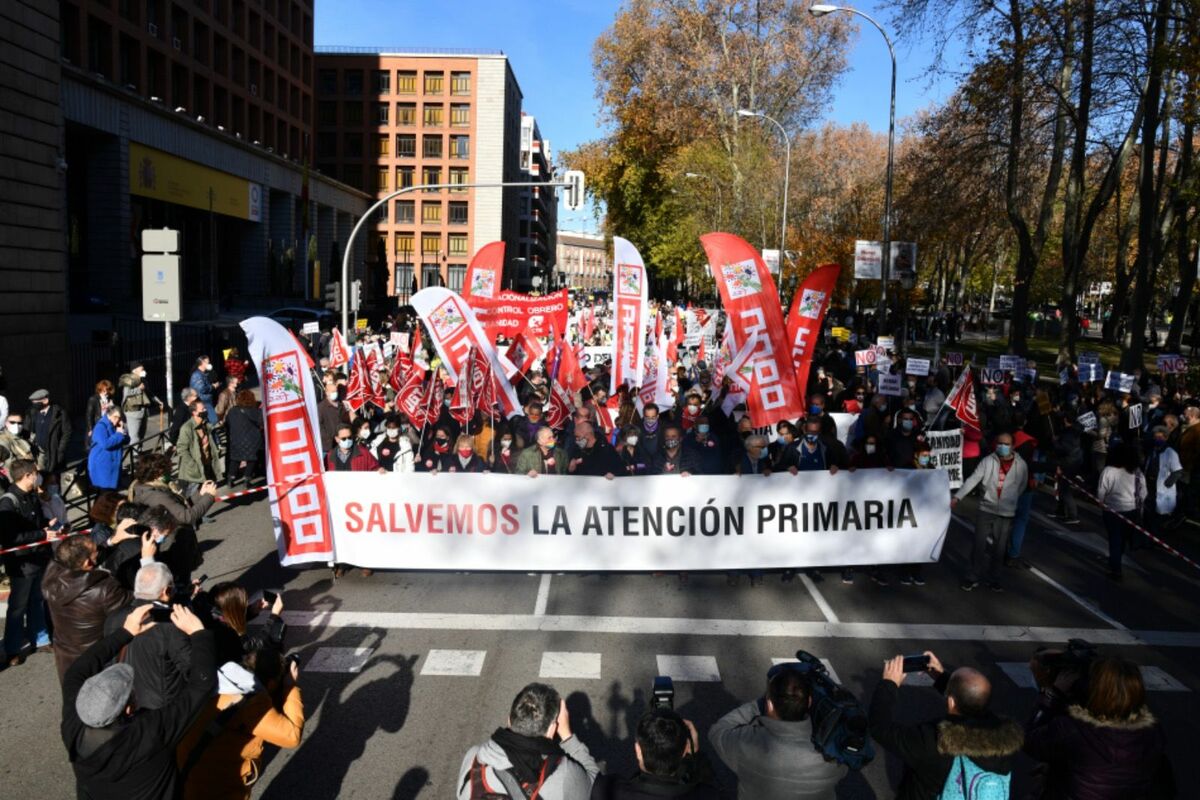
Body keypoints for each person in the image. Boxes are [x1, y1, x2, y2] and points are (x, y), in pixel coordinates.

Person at [61, 603, 214, 800]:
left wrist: (124, 633)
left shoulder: (73, 725)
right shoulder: (149, 732)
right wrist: (198, 633)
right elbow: (201, 685)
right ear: (127, 710)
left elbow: (75, 672)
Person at [868, 652, 1023, 800]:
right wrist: (941, 677)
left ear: (951, 702)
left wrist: (888, 684)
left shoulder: (934, 741)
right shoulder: (1003, 740)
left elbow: (880, 727)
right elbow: (970, 700)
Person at [1024, 655, 1174, 798]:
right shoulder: (1152, 734)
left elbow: (1029, 740)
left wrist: (1052, 695)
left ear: (1095, 690)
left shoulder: (1073, 730)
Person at [177, 640, 305, 800]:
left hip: (193, 773)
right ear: (272, 683)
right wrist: (290, 686)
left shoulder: (224, 681)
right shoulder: (250, 703)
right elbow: (291, 737)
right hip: (217, 785)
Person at [709, 664, 848, 798]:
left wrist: (757, 705)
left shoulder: (747, 741)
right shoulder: (832, 749)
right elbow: (846, 768)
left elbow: (718, 731)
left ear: (769, 704)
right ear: (810, 702)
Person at [456, 682, 599, 800]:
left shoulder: (474, 757)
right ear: (552, 730)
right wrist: (567, 735)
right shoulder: (564, 774)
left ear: (509, 720)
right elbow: (594, 784)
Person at [42, 534, 137, 682]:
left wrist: (110, 541)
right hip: (95, 658)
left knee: (72, 698)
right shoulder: (103, 589)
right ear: (87, 563)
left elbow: (58, 558)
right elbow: (135, 599)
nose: (99, 551)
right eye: (96, 551)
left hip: (65, 655)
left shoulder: (51, 575)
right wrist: (147, 559)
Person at [103, 562, 193, 710]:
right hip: (162, 707)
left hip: (124, 701)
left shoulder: (114, 618)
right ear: (165, 591)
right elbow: (191, 667)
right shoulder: (171, 624)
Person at [952, 432, 1028, 592]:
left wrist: (1011, 500)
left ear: (1013, 446)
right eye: (1000, 443)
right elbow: (973, 479)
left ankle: (995, 578)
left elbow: (1021, 485)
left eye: (1007, 444)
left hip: (1006, 512)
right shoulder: (987, 461)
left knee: (999, 549)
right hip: (986, 508)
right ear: (995, 444)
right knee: (979, 545)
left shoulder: (1021, 465)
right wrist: (958, 497)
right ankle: (972, 577)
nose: (1003, 447)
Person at [592, 708, 719, 799]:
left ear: (638, 751)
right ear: (685, 750)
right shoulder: (708, 795)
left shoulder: (607, 790)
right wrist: (696, 756)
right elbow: (713, 785)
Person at [1, 458, 54, 666]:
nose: (37, 476)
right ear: (27, 476)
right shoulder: (8, 502)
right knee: (17, 607)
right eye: (35, 473)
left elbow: (37, 521)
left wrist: (47, 526)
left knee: (37, 601)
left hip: (38, 558)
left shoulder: (31, 495)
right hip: (21, 564)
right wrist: (41, 534)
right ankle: (12, 648)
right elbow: (11, 538)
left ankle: (40, 640)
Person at [128, 452, 219, 533]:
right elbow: (186, 517)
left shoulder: (149, 488)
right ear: (157, 474)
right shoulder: (155, 496)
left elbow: (178, 507)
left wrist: (200, 494)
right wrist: (209, 496)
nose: (170, 474)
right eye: (168, 471)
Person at [1095, 443, 1146, 582]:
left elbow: (1101, 491)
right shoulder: (1137, 471)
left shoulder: (1109, 471)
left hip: (1112, 510)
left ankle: (1115, 567)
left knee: (1114, 539)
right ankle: (1116, 559)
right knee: (1122, 538)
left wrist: (1101, 503)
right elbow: (1143, 492)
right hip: (1132, 510)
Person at [1142, 425, 1183, 541]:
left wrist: (1167, 484)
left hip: (1161, 488)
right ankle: (1148, 535)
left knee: (1159, 515)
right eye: (1155, 437)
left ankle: (1156, 538)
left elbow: (1177, 471)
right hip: (1150, 485)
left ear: (1165, 438)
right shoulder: (1153, 450)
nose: (1157, 439)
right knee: (1148, 511)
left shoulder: (1170, 452)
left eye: (1160, 437)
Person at [26, 388, 71, 486]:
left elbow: (67, 432)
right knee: (40, 478)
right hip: (39, 452)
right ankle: (43, 497)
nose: (34, 405)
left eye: (36, 402)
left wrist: (60, 450)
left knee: (54, 479)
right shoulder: (33, 412)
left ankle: (56, 498)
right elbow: (28, 428)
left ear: (45, 400)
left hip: (54, 451)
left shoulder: (59, 412)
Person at [177, 400, 224, 495]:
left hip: (207, 467)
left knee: (206, 496)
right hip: (194, 472)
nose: (205, 410)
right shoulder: (186, 428)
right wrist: (193, 465)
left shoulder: (205, 425)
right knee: (192, 500)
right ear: (194, 412)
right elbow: (182, 450)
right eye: (203, 409)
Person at [224, 390, 264, 488]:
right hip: (251, 441)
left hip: (236, 441)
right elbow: (261, 422)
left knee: (235, 460)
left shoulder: (232, 411)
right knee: (252, 459)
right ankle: (247, 479)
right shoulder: (254, 411)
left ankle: (231, 478)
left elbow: (227, 423)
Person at [88, 406, 130, 492]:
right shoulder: (101, 426)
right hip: (103, 465)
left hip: (113, 464)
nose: (117, 419)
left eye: (119, 417)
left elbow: (127, 440)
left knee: (111, 493)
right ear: (108, 415)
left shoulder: (117, 425)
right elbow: (105, 444)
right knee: (105, 493)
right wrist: (118, 434)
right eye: (115, 417)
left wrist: (123, 432)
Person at [119, 361, 157, 453]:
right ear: (135, 370)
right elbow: (127, 393)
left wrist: (157, 401)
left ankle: (140, 451)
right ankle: (135, 456)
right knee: (134, 436)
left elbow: (148, 392)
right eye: (142, 369)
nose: (144, 371)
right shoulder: (129, 380)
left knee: (141, 434)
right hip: (133, 412)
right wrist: (138, 389)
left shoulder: (143, 380)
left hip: (143, 411)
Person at [190, 355, 221, 425]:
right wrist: (213, 386)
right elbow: (202, 389)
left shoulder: (203, 373)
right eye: (208, 362)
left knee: (211, 421)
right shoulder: (197, 375)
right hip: (203, 401)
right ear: (202, 363)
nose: (209, 364)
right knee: (214, 421)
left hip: (207, 400)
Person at [85, 380, 117, 447]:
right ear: (99, 390)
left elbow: (114, 412)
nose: (106, 393)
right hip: (98, 423)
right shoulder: (93, 399)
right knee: (98, 443)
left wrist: (112, 406)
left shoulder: (111, 399)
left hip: (109, 423)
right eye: (103, 391)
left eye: (107, 390)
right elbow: (89, 415)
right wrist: (91, 429)